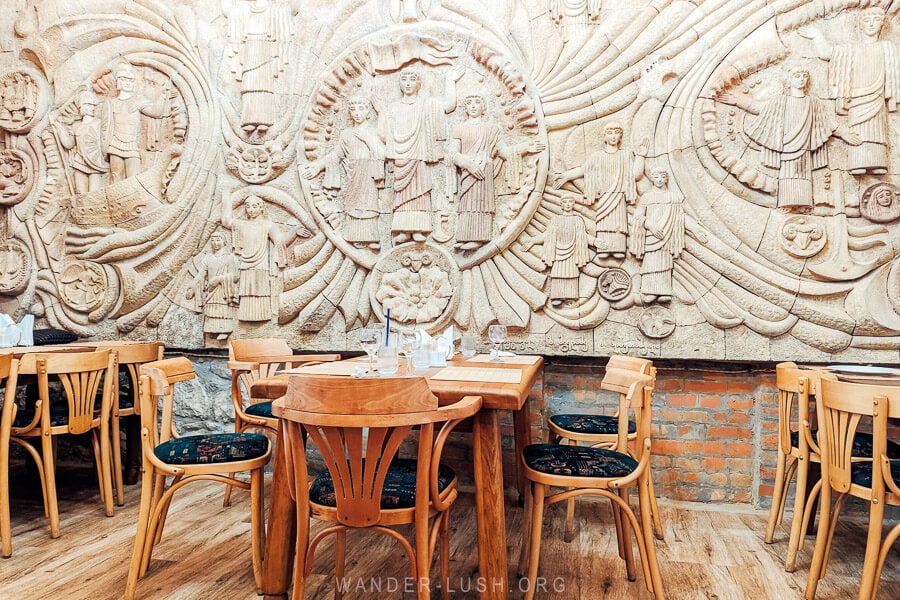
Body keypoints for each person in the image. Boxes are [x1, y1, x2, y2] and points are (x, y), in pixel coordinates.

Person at [717, 67, 860, 210]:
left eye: (804, 75)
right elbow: (757, 107)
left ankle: (804, 203)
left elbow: (827, 122)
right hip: (787, 146)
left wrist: (844, 133)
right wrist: (738, 101)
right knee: (788, 175)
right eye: (797, 75)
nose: (801, 78)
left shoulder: (813, 102)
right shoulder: (780, 101)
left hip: (805, 147)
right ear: (789, 80)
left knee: (803, 174)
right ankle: (787, 203)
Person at [448, 93, 546, 251]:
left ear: (483, 106)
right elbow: (453, 154)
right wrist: (468, 163)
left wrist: (526, 148)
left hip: (484, 171)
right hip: (468, 169)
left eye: (477, 102)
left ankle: (480, 237)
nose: (473, 106)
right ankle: (465, 236)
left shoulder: (492, 129)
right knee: (466, 203)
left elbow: (505, 153)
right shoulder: (460, 128)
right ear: (465, 108)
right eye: (469, 102)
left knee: (481, 203)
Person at [378, 65, 464, 244]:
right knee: (402, 194)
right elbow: (383, 134)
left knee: (420, 191)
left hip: (419, 156)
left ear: (419, 83)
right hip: (401, 157)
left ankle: (419, 228)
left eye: (412, 79)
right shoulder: (393, 107)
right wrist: (380, 112)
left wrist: (450, 81)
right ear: (400, 83)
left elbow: (449, 105)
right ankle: (403, 229)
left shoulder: (427, 104)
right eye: (404, 79)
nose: (408, 83)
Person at [553, 121, 647, 258]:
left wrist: (641, 156)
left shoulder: (625, 155)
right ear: (604, 136)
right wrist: (567, 175)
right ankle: (604, 249)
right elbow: (583, 170)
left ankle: (618, 249)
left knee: (618, 223)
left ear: (621, 137)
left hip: (619, 196)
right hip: (604, 196)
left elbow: (636, 175)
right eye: (610, 133)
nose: (613, 136)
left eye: (617, 133)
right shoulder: (597, 156)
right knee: (604, 221)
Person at [303, 95, 385, 250]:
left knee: (369, 205)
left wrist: (369, 140)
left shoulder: (374, 132)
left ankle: (372, 238)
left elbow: (383, 152)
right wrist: (318, 166)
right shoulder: (346, 134)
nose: (357, 113)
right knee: (354, 204)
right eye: (353, 109)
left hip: (369, 174)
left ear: (368, 111)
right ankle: (353, 236)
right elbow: (336, 155)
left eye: (361, 108)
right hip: (353, 174)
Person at [828, 7, 900, 175]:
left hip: (877, 97)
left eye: (875, 20)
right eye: (867, 20)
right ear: (860, 24)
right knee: (857, 131)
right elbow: (829, 53)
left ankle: (878, 162)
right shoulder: (850, 49)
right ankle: (857, 163)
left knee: (877, 130)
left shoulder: (887, 47)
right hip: (856, 99)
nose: (871, 24)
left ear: (882, 23)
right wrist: (817, 37)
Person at [221, 194, 309, 321]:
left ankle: (261, 316)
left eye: (254, 206)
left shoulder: (267, 225)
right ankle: (245, 317)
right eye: (248, 207)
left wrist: (294, 232)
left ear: (261, 208)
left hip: (261, 265)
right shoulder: (242, 224)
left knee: (260, 291)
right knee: (246, 291)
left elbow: (280, 240)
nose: (251, 210)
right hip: (245, 264)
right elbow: (226, 221)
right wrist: (227, 195)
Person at [223, 0, 293, 136]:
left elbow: (293, 9)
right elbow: (228, 11)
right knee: (248, 83)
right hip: (249, 49)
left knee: (264, 85)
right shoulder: (243, 9)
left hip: (265, 49)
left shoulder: (274, 9)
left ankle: (264, 120)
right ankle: (248, 120)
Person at [99, 61, 173, 183]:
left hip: (131, 145)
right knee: (115, 177)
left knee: (134, 178)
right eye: (124, 80)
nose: (127, 83)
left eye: (130, 81)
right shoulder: (111, 103)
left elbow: (156, 112)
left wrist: (163, 96)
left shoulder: (138, 101)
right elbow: (105, 127)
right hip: (114, 144)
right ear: (119, 82)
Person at [521, 195, 595, 307]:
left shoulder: (578, 220)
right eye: (565, 202)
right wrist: (532, 241)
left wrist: (595, 242)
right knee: (558, 273)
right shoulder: (555, 220)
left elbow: (583, 237)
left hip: (573, 252)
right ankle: (557, 296)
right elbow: (547, 235)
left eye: (571, 201)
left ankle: (571, 296)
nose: (568, 204)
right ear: (561, 204)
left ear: (574, 204)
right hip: (558, 253)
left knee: (571, 272)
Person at [630, 169, 684, 305]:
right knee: (651, 261)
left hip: (667, 235)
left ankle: (664, 291)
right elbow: (637, 217)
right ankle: (650, 290)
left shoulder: (673, 197)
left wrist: (696, 231)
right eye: (656, 177)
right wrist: (649, 224)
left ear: (666, 179)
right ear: (652, 179)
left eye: (662, 177)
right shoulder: (647, 197)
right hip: (651, 235)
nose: (659, 180)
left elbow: (680, 218)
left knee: (665, 261)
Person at [186, 231, 239, 340]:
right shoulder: (208, 258)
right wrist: (192, 288)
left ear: (224, 242)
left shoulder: (229, 257)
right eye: (213, 240)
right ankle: (212, 329)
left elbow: (235, 276)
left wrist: (219, 279)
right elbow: (201, 274)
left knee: (222, 309)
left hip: (222, 289)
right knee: (211, 309)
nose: (215, 243)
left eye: (218, 240)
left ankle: (225, 330)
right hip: (210, 289)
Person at [56, 90, 108, 194]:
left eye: (94, 105)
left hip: (96, 162)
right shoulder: (76, 126)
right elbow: (69, 144)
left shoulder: (98, 123)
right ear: (82, 106)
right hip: (80, 162)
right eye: (89, 105)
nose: (92, 108)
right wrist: (59, 127)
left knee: (94, 193)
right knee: (80, 192)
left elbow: (104, 142)